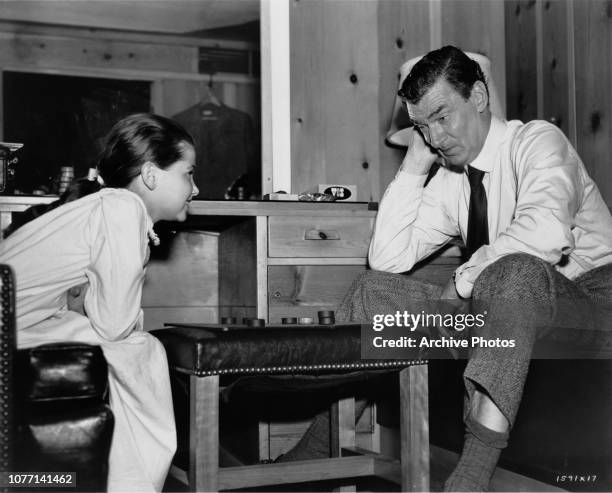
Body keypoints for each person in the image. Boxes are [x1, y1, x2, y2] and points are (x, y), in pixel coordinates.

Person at [336, 45, 612, 491]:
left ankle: (470, 478)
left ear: (479, 97)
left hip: (590, 305)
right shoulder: (451, 178)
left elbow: (544, 233)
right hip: (504, 312)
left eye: (443, 117)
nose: (436, 136)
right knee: (373, 290)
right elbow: (388, 259)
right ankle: (319, 447)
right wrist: (413, 164)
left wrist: (464, 279)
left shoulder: (537, 140)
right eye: (422, 126)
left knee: (513, 273)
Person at [0, 113, 199, 492]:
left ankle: (113, 479)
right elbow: (116, 323)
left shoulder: (108, 205)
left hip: (16, 322)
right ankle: (129, 485)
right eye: (188, 173)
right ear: (152, 174)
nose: (196, 187)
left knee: (122, 343)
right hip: (8, 327)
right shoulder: (122, 207)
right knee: (141, 348)